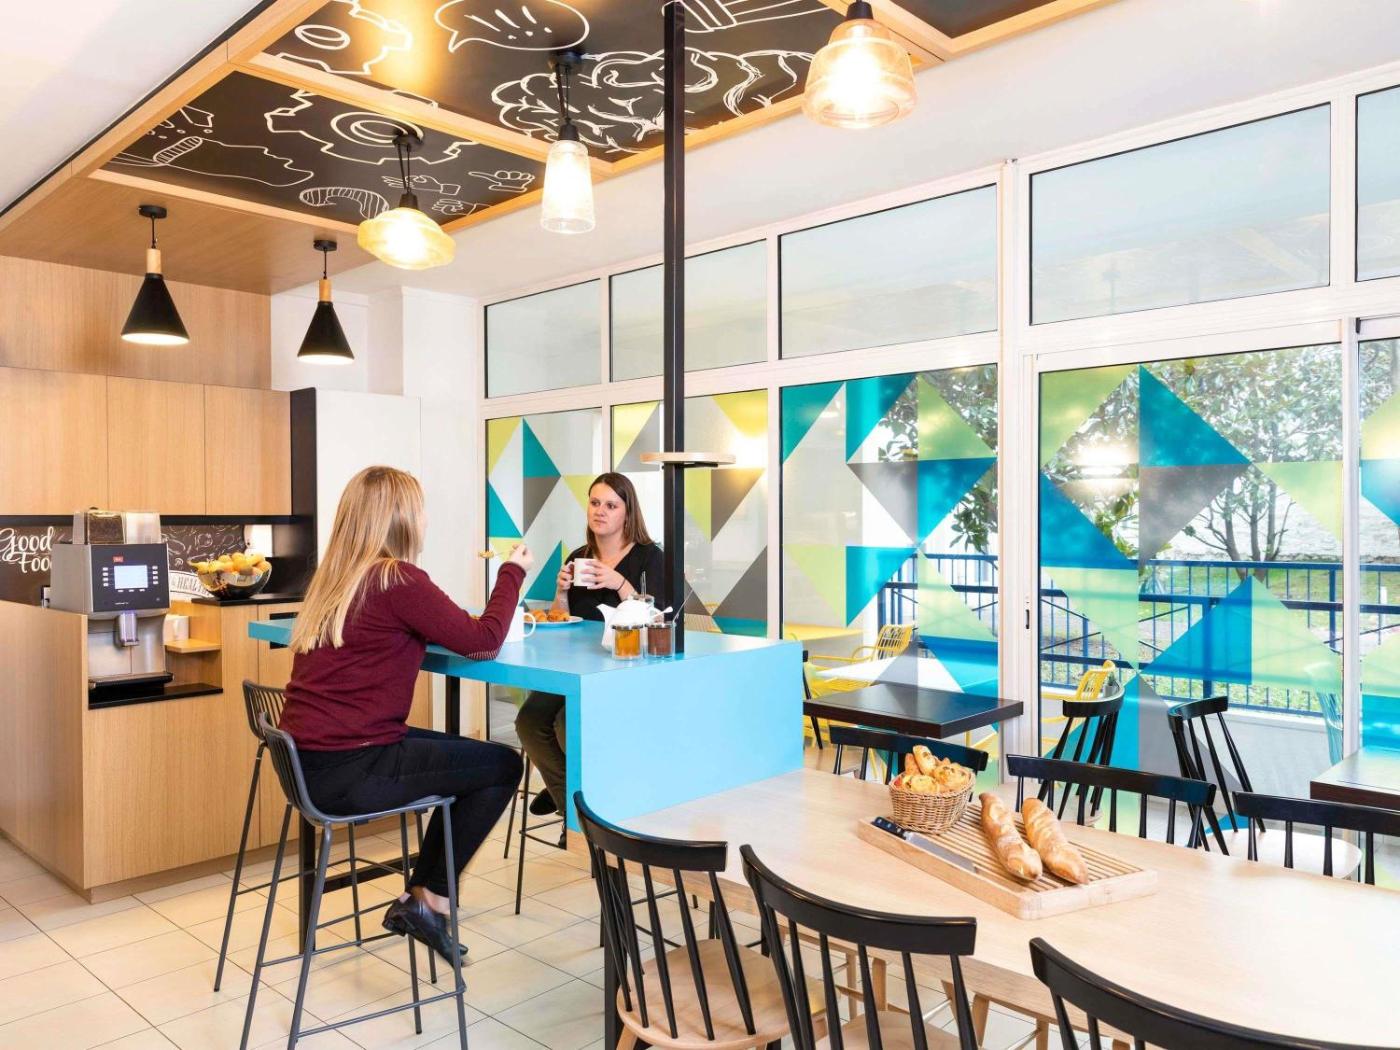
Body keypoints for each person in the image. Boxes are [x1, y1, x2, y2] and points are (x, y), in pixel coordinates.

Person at [280, 465, 532, 963]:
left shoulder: (336, 579)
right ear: (401, 519)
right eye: (420, 510)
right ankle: (429, 900)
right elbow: (483, 642)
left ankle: (423, 900)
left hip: (309, 764)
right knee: (503, 765)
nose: (425, 519)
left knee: (469, 757)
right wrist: (513, 571)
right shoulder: (397, 578)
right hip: (354, 767)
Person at [514, 472, 662, 817]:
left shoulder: (648, 557)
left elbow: (656, 619)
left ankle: (574, 804)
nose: (600, 511)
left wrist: (620, 582)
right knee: (529, 721)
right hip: (574, 668)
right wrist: (561, 591)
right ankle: (570, 800)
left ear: (628, 512)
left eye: (611, 505)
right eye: (595, 503)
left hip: (623, 671)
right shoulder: (579, 556)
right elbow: (561, 617)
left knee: (568, 723)